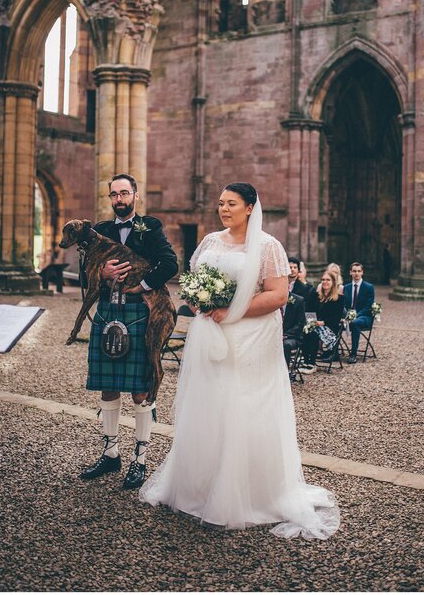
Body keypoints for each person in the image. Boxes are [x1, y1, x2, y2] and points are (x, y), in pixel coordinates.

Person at [139, 182, 339, 539]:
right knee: (209, 405)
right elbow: (194, 281)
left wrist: (231, 309)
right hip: (210, 334)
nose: (224, 209)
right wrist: (200, 301)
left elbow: (278, 295)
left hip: (250, 338)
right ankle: (197, 488)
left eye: (231, 203)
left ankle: (249, 494)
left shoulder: (267, 246)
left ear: (250, 207)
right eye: (220, 203)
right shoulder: (211, 241)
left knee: (244, 406)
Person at [80, 173, 178, 490]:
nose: (119, 199)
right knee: (108, 387)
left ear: (135, 195)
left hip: (139, 313)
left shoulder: (149, 227)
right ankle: (110, 454)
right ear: (110, 198)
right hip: (109, 310)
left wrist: (141, 286)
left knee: (139, 388)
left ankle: (140, 460)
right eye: (114, 195)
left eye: (125, 193)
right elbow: (87, 272)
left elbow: (170, 263)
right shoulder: (102, 231)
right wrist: (103, 272)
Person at [305, 268, 346, 364]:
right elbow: (309, 310)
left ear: (333, 282)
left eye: (328, 280)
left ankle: (311, 362)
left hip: (330, 327)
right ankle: (306, 360)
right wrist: (312, 322)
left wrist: (323, 322)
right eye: (323, 280)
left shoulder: (339, 299)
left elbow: (337, 317)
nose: (325, 282)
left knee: (312, 334)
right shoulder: (315, 295)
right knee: (306, 332)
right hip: (315, 324)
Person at [342, 262, 376, 363]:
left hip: (364, 317)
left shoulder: (369, 287)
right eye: (354, 271)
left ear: (362, 272)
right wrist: (346, 315)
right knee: (333, 321)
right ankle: (333, 353)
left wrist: (355, 316)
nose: (356, 273)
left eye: (359, 271)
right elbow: (343, 305)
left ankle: (353, 354)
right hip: (348, 316)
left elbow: (368, 307)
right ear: (350, 273)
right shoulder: (346, 287)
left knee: (355, 323)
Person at [282, 292, 308, 375]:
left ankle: (284, 373)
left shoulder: (298, 300)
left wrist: (285, 335)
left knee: (286, 344)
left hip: (292, 336)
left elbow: (300, 324)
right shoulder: (272, 300)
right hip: (274, 334)